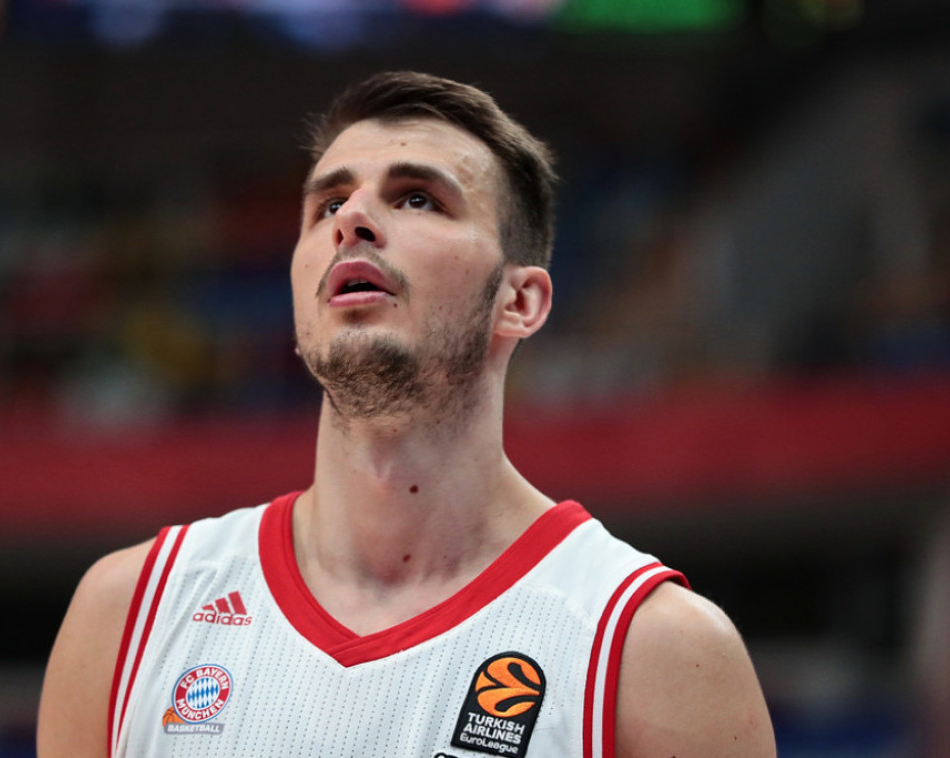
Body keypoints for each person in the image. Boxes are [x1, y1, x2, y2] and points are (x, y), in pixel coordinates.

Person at [38, 70, 777, 758]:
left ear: (519, 301)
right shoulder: (129, 615)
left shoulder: (656, 652)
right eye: (328, 204)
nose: (353, 219)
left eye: (418, 198)